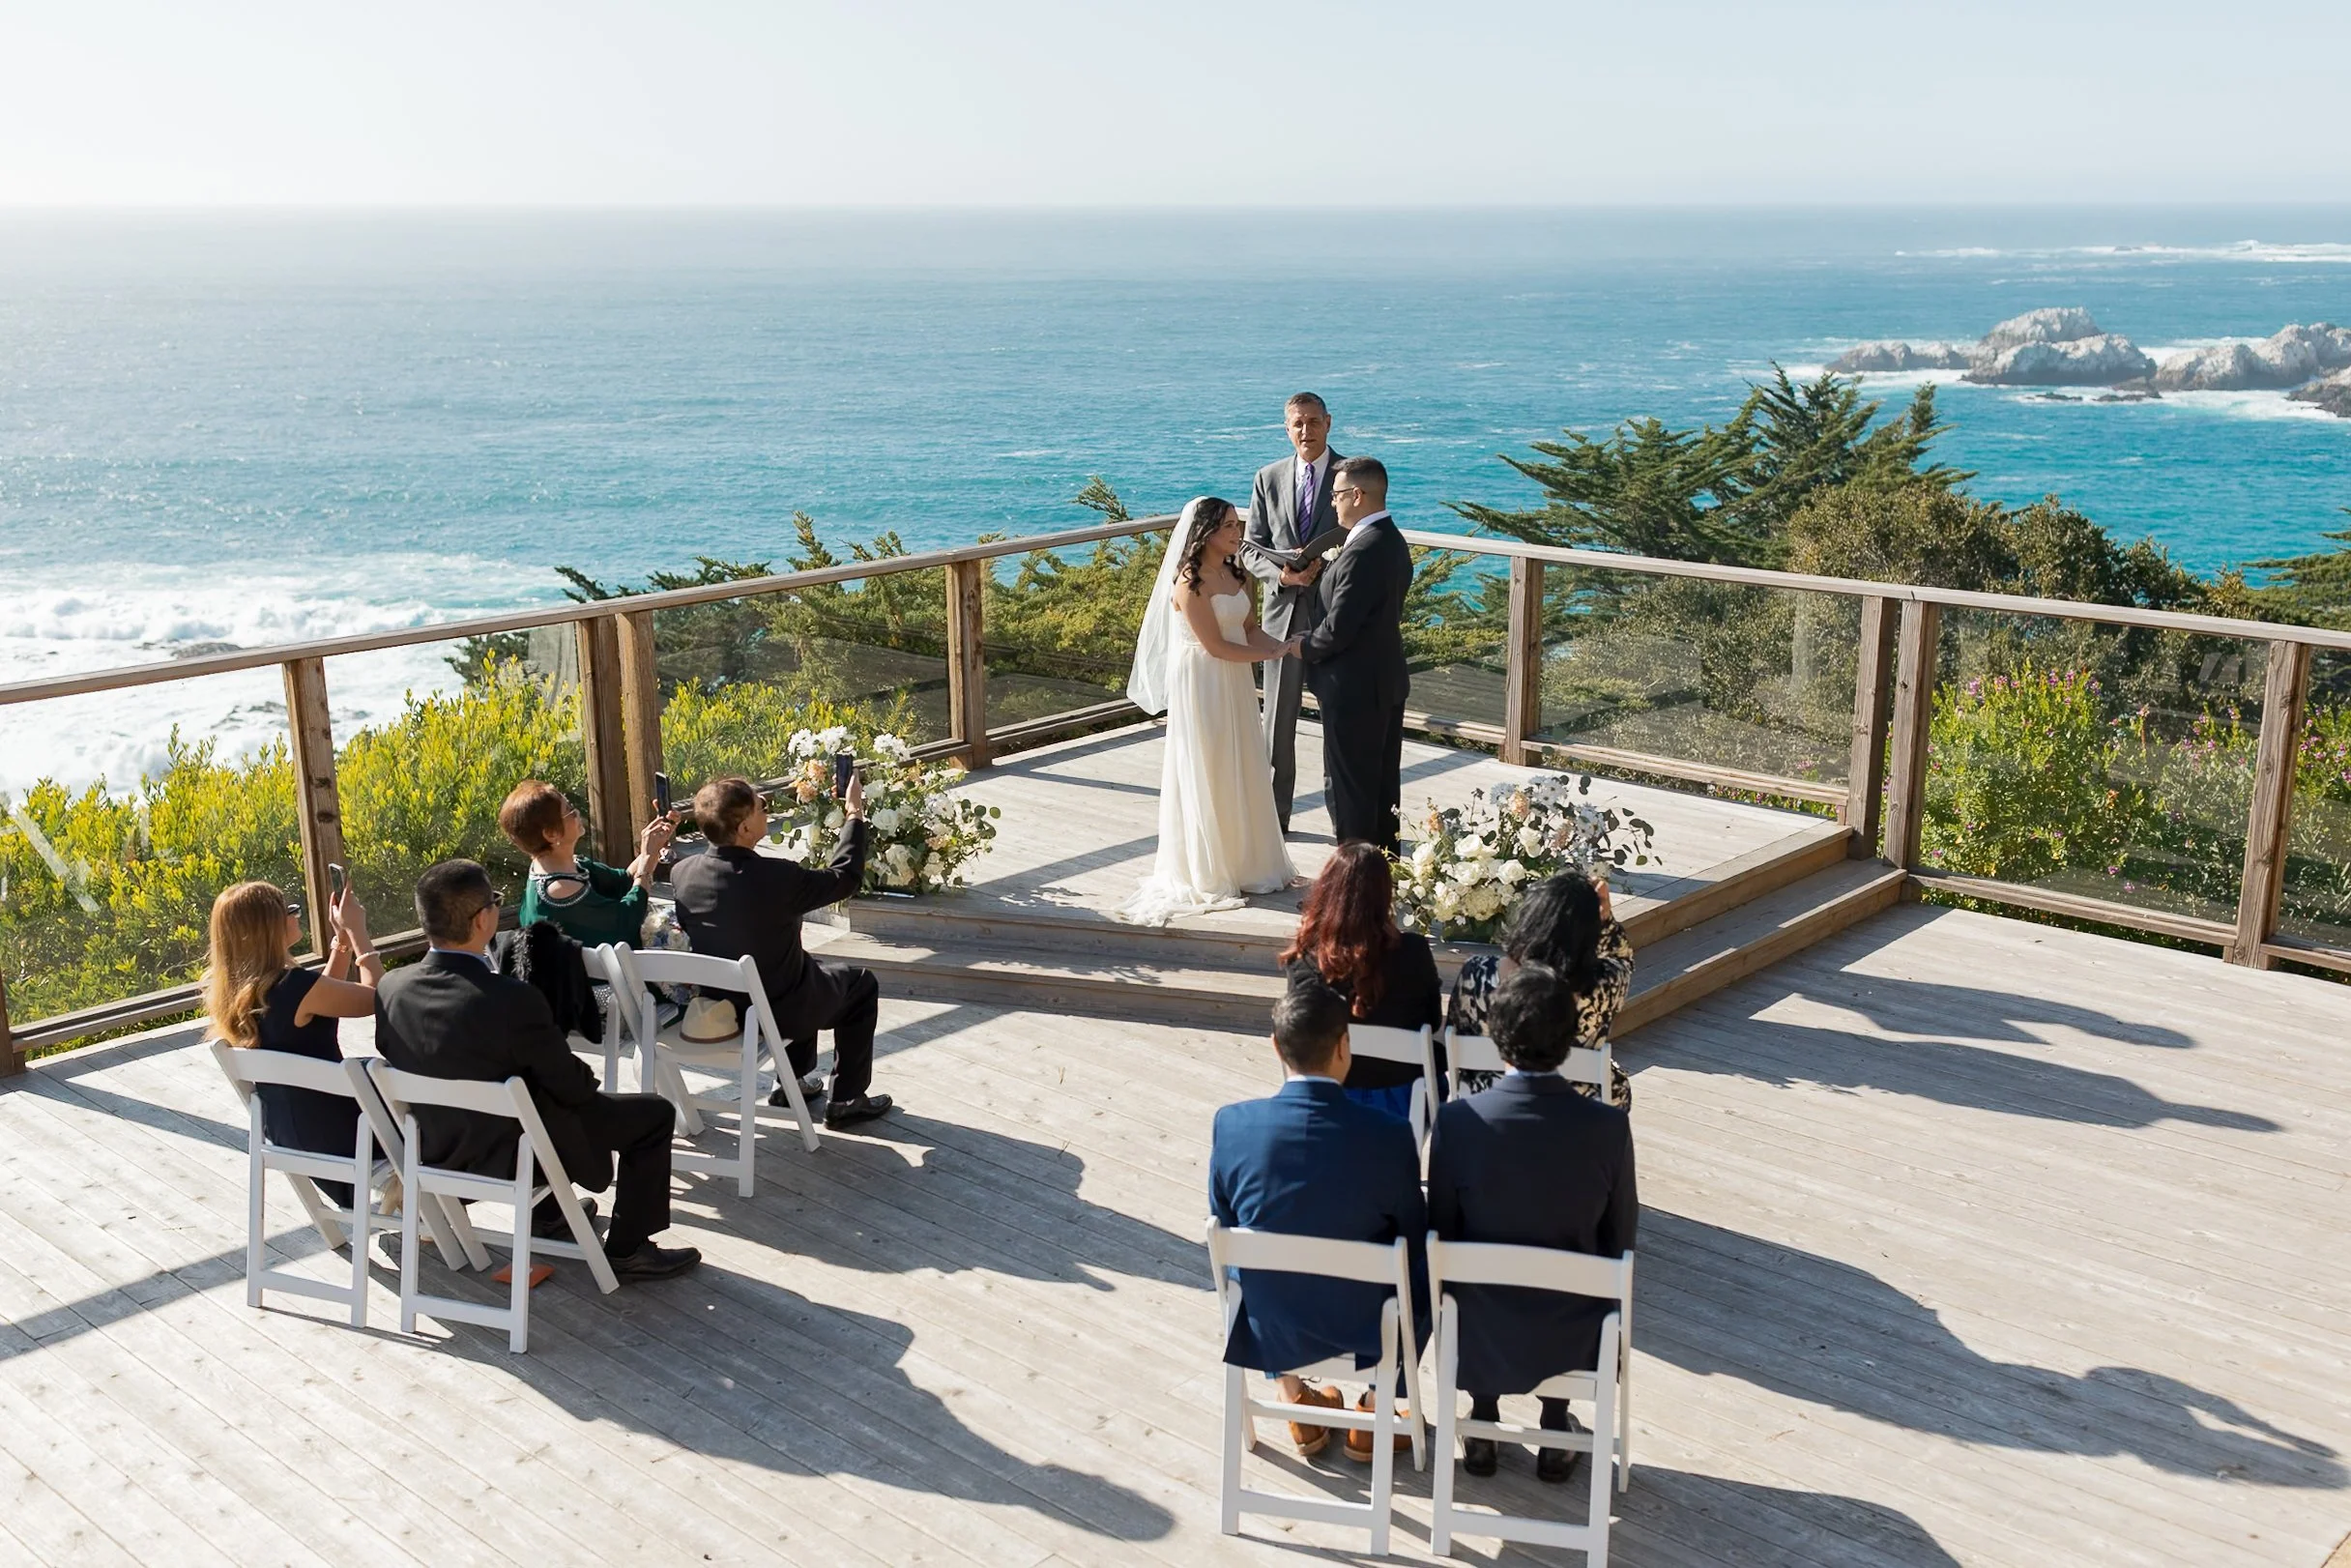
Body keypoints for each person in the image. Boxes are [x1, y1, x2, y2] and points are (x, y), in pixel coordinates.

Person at [374, 859, 700, 1281]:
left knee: (526, 1100)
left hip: (437, 1152)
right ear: (482, 920)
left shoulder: (391, 988)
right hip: (514, 1158)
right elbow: (574, 1088)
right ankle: (628, 1248)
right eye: (494, 901)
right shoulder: (510, 998)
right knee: (653, 1115)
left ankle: (549, 1214)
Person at [1427, 962, 1638, 1482]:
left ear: (1498, 1040)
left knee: (1469, 1274)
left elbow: (1440, 1229)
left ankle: (1481, 1418)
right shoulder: (1608, 1128)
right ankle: (1554, 1421)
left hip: (1477, 1334)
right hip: (1573, 1334)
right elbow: (1621, 1238)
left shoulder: (1456, 1123)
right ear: (1570, 1042)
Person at [1209, 971, 1427, 1462]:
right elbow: (1413, 1242)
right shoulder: (1391, 1134)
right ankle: (1375, 1408)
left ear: (1275, 1047)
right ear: (1344, 1047)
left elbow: (1222, 1224)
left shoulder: (1232, 1124)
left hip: (1274, 1319)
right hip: (1368, 1324)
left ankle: (1295, 1401)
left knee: (1242, 1255)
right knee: (1425, 1264)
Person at [666, 774, 895, 1129]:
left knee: (800, 968)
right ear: (744, 828)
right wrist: (854, 813)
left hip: (721, 1009)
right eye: (762, 808)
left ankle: (795, 1084)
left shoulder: (683, 873)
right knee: (859, 984)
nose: (766, 813)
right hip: (777, 1011)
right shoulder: (777, 877)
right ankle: (847, 1098)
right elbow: (845, 877)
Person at [1117, 496, 1299, 925]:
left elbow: (1248, 629)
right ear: (1204, 533)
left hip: (1234, 679)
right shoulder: (1189, 581)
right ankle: (1210, 867)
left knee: (1242, 761)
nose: (1238, 533)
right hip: (1203, 679)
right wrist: (1270, 657)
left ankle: (1247, 862)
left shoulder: (1236, 572)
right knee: (1210, 763)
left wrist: (1281, 647)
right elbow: (1215, 646)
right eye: (1229, 527)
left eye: (1238, 525)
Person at [203, 879, 383, 1207]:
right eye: (289, 910)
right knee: (413, 1089)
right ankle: (428, 1198)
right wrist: (358, 932)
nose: (295, 914)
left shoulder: (239, 993)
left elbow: (320, 993)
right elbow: (378, 998)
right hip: (348, 1134)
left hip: (293, 1134)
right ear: (269, 928)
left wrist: (340, 942)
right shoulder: (294, 986)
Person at [1238, 392, 1344, 833]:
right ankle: (1275, 820)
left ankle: (1344, 821)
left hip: (1332, 618)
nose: (1306, 431)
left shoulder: (1349, 474)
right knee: (1277, 724)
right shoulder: (1268, 477)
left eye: (1314, 422)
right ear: (1287, 427)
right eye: (1298, 423)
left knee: (1337, 721)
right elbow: (1248, 546)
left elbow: (1360, 537)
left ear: (1328, 423)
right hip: (1280, 618)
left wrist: (1326, 567)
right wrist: (1282, 576)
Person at [1277, 842, 1442, 1123]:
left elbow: (1299, 1037)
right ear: (1384, 894)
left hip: (1330, 1102)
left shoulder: (1304, 958)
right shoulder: (1413, 950)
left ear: (1326, 889)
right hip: (1404, 1099)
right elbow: (1432, 1021)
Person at [1298, 456, 1412, 854]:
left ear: (1357, 495)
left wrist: (1298, 646)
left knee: (1351, 796)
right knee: (1381, 791)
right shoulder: (1391, 539)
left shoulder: (1364, 550)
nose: (1333, 503)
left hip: (1354, 690)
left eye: (1336, 495)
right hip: (1383, 681)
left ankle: (1352, 893)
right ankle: (1382, 879)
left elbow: (1338, 630)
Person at [1448, 870, 1634, 1108]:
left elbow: (1454, 1034)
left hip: (1486, 1108)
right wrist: (1606, 919)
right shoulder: (1606, 985)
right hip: (1576, 1117)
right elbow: (1622, 958)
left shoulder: (1477, 973)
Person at [499, 780, 679, 949]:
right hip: (603, 981)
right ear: (551, 834)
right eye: (569, 810)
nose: (577, 812)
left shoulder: (567, 866)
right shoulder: (560, 890)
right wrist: (646, 859)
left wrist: (654, 842)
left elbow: (623, 881)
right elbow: (626, 921)